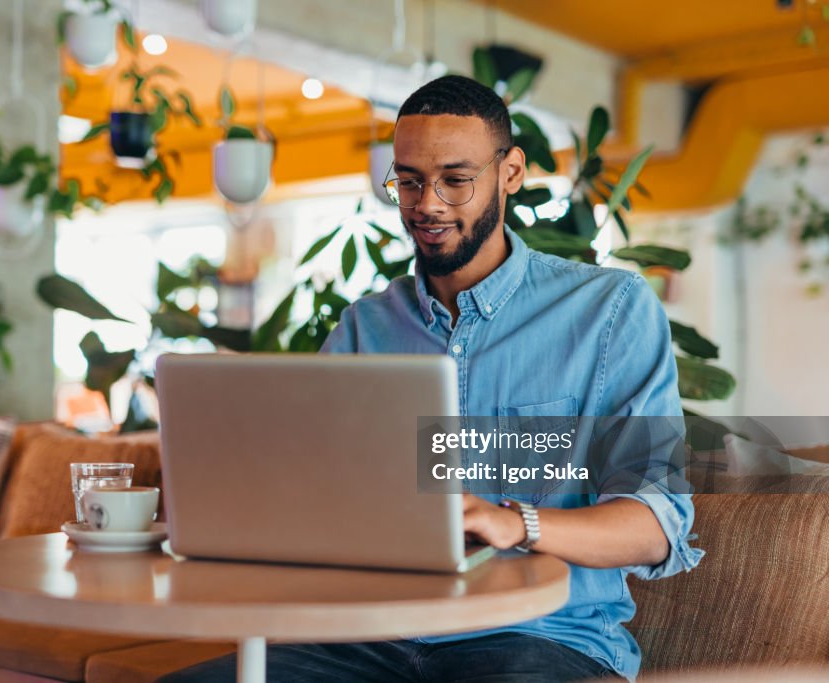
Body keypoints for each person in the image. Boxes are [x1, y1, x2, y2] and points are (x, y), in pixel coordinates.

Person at [160, 75, 702, 683]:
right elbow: (317, 496)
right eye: (410, 180)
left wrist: (513, 522)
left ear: (512, 173)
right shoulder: (365, 327)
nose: (428, 204)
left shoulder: (610, 311)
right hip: (370, 638)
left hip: (541, 639)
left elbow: (656, 524)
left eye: (456, 179)